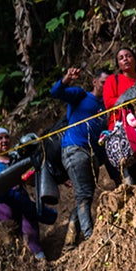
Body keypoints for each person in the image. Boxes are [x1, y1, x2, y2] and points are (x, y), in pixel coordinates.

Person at [50, 66, 107, 245]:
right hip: (75, 149)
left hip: (92, 155)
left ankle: (71, 237)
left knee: (86, 195)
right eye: (103, 83)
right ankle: (90, 236)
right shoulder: (81, 96)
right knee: (83, 195)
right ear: (95, 82)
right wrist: (67, 78)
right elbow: (56, 92)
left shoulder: (105, 105)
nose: (106, 87)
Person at [0, 128, 48, 260]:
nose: (4, 141)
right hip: (2, 205)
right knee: (11, 234)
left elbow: (30, 181)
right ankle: (19, 262)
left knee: (30, 228)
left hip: (21, 199)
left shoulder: (17, 158)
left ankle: (39, 258)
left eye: (6, 137)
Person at [101, 48, 136, 184]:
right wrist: (130, 101)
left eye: (128, 56)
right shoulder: (113, 80)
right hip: (122, 128)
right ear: (118, 65)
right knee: (129, 167)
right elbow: (109, 102)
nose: (125, 59)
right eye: (121, 58)